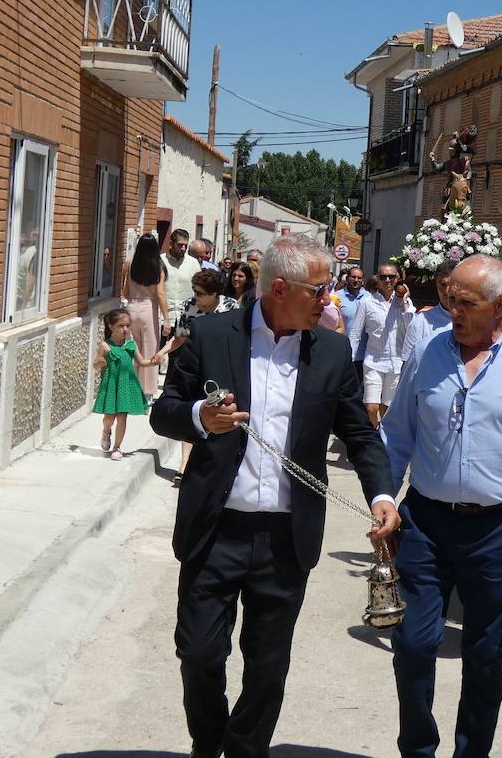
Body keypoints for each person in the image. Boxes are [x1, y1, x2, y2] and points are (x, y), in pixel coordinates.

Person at [149, 237, 399, 758]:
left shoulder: (330, 352)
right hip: (215, 530)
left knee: (267, 667)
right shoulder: (212, 334)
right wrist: (200, 418)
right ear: (280, 288)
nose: (328, 301)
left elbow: (361, 435)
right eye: (320, 289)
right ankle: (208, 740)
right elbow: (164, 410)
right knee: (198, 653)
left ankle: (244, 750)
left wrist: (382, 495)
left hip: (286, 537)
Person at [382, 255, 502, 758]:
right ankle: (418, 748)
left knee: (486, 654)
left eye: (465, 303)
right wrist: (384, 497)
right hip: (425, 522)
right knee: (412, 642)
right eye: (451, 300)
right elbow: (397, 435)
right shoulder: (428, 353)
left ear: (499, 305)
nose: (453, 311)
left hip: (499, 529)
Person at [154, 270, 240, 487]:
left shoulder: (230, 307)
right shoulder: (189, 307)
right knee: (192, 411)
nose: (196, 297)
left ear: (215, 294)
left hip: (220, 368)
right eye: (194, 291)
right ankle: (184, 466)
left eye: (200, 293)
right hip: (193, 367)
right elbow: (179, 337)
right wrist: (163, 352)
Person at [346, 262, 415, 427]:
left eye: (392, 277)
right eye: (384, 277)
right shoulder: (367, 303)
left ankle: (382, 437)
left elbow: (411, 328)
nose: (388, 280)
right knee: (371, 406)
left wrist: (404, 303)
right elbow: (356, 332)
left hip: (396, 363)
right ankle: (374, 436)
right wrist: (349, 359)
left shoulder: (405, 302)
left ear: (397, 278)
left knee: (387, 407)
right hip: (373, 361)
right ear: (378, 278)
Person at [93, 309, 162, 461]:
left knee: (122, 417)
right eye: (121, 326)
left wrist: (152, 361)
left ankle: (117, 447)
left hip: (126, 385)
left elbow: (141, 362)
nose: (125, 329)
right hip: (112, 385)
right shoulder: (105, 346)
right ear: (111, 327)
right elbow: (95, 364)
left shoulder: (131, 345)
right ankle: (106, 430)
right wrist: (100, 362)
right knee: (109, 418)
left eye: (127, 325)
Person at [122, 233, 169, 400]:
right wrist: (167, 319)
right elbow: (161, 294)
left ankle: (128, 389)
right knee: (150, 350)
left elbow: (126, 292)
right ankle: (146, 393)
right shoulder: (158, 267)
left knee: (131, 349)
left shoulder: (129, 265)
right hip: (149, 308)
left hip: (132, 307)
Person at [398, 260, 457, 362]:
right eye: (443, 284)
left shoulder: (475, 321)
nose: (447, 291)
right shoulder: (421, 323)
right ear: (436, 285)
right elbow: (409, 366)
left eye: (452, 284)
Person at [337, 265, 370, 382]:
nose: (356, 280)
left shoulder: (369, 298)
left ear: (363, 280)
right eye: (353, 277)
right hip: (343, 353)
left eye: (359, 278)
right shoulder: (336, 297)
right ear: (347, 279)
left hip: (364, 354)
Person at [162, 229, 199, 323]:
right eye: (180, 245)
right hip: (163, 319)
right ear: (171, 244)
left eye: (185, 245)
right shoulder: (160, 261)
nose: (183, 248)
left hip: (186, 318)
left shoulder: (193, 263)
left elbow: (199, 288)